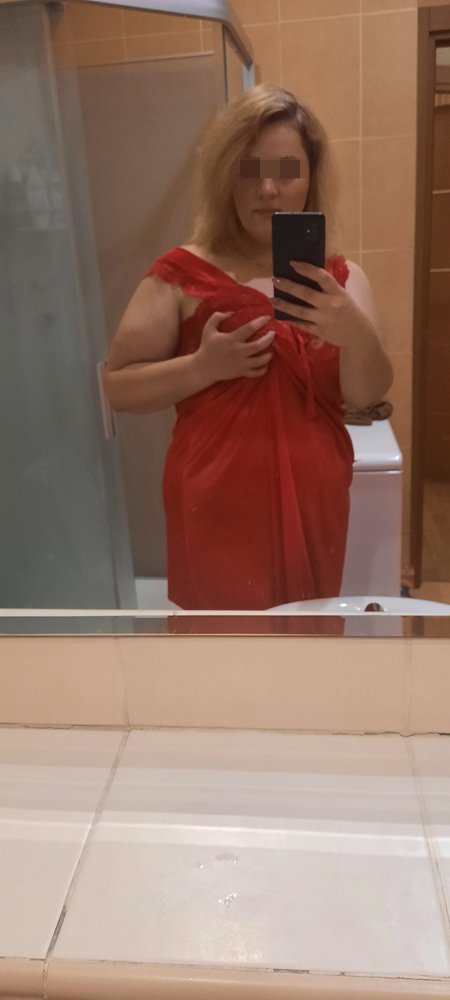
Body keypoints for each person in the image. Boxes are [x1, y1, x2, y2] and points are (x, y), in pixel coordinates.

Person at [103, 83, 393, 611]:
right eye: (250, 169)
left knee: (305, 641)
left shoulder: (344, 279)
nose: (268, 188)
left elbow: (367, 394)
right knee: (226, 646)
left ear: (311, 178)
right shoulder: (181, 274)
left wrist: (352, 332)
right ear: (225, 176)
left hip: (315, 502)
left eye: (287, 171)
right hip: (215, 502)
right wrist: (202, 367)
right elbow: (117, 388)